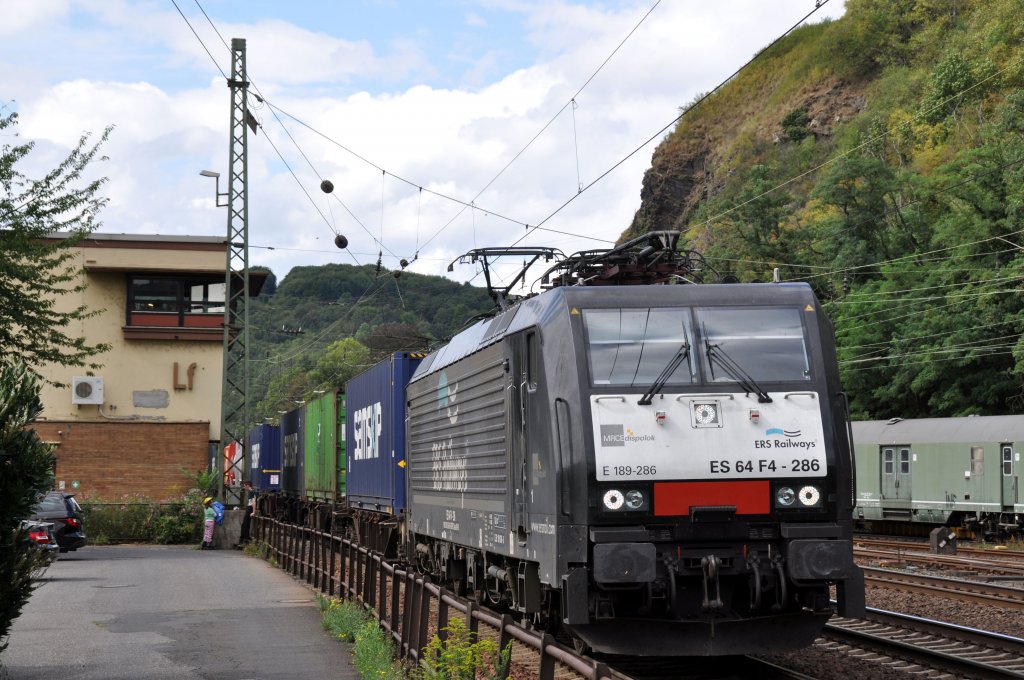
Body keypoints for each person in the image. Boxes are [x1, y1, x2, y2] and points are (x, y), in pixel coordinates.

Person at [236, 480, 256, 549]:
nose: (244, 488)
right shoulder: (251, 492)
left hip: (250, 509)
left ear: (248, 486)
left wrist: (253, 511)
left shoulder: (252, 492)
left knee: (245, 524)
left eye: (244, 486)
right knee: (245, 524)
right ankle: (245, 539)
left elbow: (253, 502)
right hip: (249, 508)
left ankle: (245, 539)